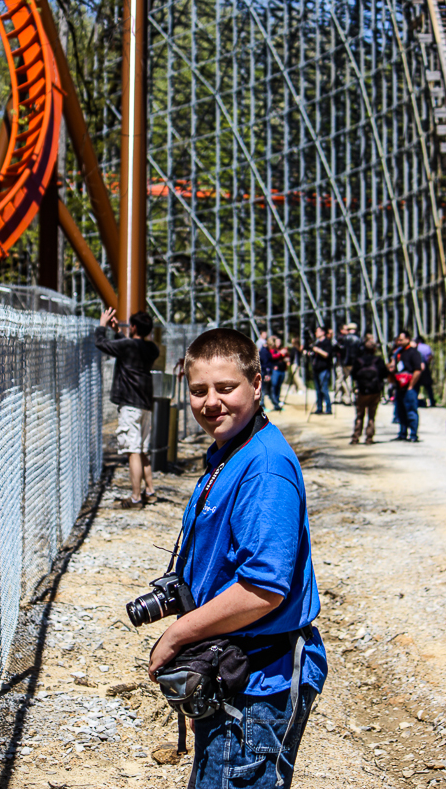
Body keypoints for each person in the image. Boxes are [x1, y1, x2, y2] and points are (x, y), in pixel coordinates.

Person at [148, 328, 327, 789]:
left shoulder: (265, 467)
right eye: (199, 390)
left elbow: (263, 589)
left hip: (256, 685)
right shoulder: (231, 451)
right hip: (228, 668)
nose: (211, 402)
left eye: (226, 388)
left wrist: (176, 636)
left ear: (257, 384)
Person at [95, 307, 159, 508]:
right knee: (142, 450)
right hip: (146, 404)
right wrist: (119, 334)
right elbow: (130, 346)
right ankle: (150, 491)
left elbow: (101, 343)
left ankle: (135, 497)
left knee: (133, 451)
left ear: (133, 327)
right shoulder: (152, 349)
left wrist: (102, 325)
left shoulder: (129, 346)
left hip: (130, 405)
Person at [350, 337, 388, 445]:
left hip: (362, 391)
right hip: (375, 391)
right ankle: (369, 438)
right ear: (374, 349)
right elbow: (384, 374)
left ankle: (355, 437)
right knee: (371, 416)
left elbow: (354, 375)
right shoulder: (378, 361)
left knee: (359, 415)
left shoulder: (359, 361)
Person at [388, 329, 422, 442]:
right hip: (399, 386)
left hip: (409, 386)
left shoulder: (413, 353)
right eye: (398, 340)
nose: (399, 342)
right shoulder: (398, 353)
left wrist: (411, 385)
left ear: (408, 339)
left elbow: (418, 369)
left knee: (411, 410)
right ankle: (402, 433)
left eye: (402, 340)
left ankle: (413, 434)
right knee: (400, 411)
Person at [310, 326, 332, 414]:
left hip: (324, 369)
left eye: (317, 331)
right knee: (318, 390)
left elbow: (327, 354)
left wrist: (317, 350)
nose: (316, 333)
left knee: (324, 389)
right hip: (316, 368)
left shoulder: (327, 343)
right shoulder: (317, 343)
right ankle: (319, 408)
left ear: (323, 332)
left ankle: (328, 408)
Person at [333, 324, 352, 405]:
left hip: (345, 361)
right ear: (341, 330)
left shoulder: (347, 339)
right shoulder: (341, 339)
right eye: (346, 329)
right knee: (341, 379)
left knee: (344, 379)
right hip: (341, 361)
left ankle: (345, 397)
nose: (348, 331)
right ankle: (341, 396)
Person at [269, 335, 288, 411]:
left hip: (282, 370)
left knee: (279, 386)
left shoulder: (282, 349)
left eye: (280, 342)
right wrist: (280, 353)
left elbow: (286, 357)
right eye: (277, 342)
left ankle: (277, 400)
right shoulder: (273, 350)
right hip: (275, 370)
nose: (279, 343)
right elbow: (272, 357)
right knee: (274, 386)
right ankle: (274, 402)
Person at [416, 336, 436, 407]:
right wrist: (428, 362)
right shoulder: (427, 347)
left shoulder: (416, 347)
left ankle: (415, 401)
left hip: (417, 367)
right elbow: (430, 356)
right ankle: (432, 401)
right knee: (428, 386)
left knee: (416, 385)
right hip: (425, 366)